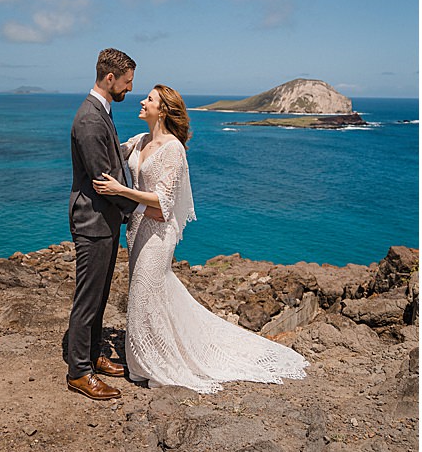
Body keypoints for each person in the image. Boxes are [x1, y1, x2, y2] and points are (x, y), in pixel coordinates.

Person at [93, 85, 308, 393]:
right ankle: (145, 357)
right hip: (136, 230)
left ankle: (155, 362)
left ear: (163, 110)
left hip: (158, 232)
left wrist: (120, 191)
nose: (142, 101)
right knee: (146, 294)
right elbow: (111, 149)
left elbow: (162, 201)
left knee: (144, 291)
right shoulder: (139, 141)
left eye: (149, 99)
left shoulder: (174, 149)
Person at [62, 47, 147, 400]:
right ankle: (79, 371)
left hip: (104, 220)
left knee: (100, 295)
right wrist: (139, 209)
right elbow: (103, 179)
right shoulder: (90, 119)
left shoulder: (101, 111)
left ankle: (95, 354)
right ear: (109, 78)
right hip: (93, 221)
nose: (130, 90)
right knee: (88, 298)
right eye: (126, 83)